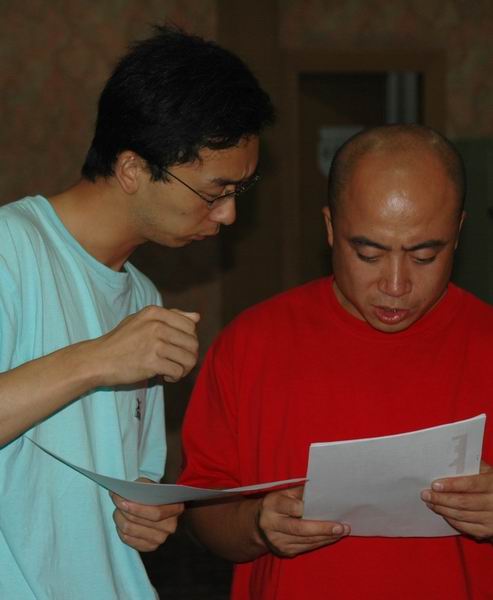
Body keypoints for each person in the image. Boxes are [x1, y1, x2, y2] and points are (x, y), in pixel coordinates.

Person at [0, 25, 274, 600]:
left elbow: (128, 480)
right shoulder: (11, 250)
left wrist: (149, 514)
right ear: (132, 170)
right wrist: (98, 359)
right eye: (214, 191)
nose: (227, 215)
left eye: (240, 192)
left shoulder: (145, 299)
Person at [179, 124, 493, 599]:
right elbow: (202, 518)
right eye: (368, 253)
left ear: (459, 233)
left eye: (425, 256)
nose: (395, 284)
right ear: (330, 229)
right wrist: (257, 524)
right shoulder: (252, 344)